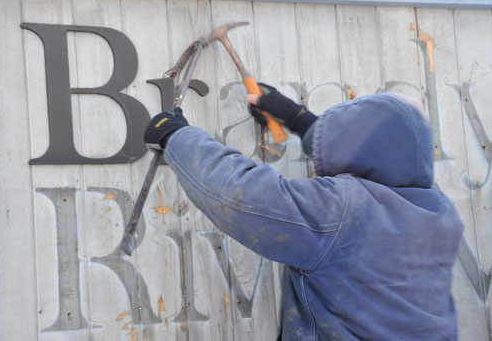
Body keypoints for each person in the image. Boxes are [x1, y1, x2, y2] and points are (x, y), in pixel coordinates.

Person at [143, 85, 463, 341]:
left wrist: (177, 137)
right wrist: (299, 119)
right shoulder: (440, 210)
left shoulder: (342, 209)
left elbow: (243, 197)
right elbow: (381, 156)